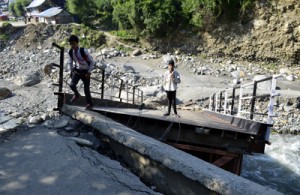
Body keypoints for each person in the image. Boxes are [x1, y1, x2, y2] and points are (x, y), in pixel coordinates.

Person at [68, 35, 95, 110]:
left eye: (73, 44)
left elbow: (92, 62)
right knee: (72, 85)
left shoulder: (83, 51)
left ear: (77, 43)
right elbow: (70, 62)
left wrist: (89, 72)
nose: (72, 46)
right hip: (77, 71)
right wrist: (70, 70)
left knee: (86, 90)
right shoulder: (70, 52)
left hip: (85, 72)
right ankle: (76, 95)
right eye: (71, 44)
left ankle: (90, 104)